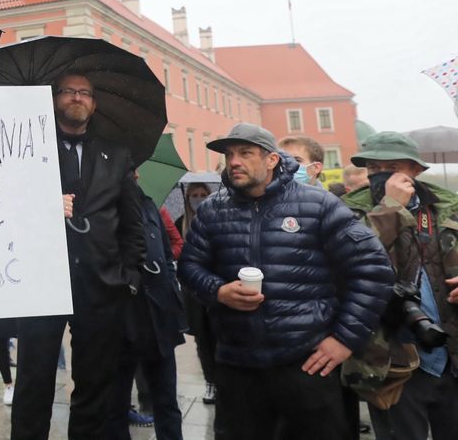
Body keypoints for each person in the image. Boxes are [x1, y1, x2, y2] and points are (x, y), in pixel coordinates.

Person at [178, 123, 393, 440]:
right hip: (238, 366)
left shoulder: (318, 205)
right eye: (229, 154)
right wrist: (218, 290)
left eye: (246, 153)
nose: (234, 161)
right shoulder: (213, 210)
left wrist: (345, 339)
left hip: (306, 364)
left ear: (272, 160)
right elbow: (189, 267)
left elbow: (374, 269)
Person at [11, 71, 146, 440]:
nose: (77, 97)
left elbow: (133, 223)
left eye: (84, 92)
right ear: (55, 99)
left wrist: (130, 277)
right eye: (68, 91)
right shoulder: (26, 149)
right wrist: (42, 204)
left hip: (102, 286)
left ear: (94, 103)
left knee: (94, 385)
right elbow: (2, 206)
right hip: (42, 283)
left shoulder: (116, 156)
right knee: (33, 381)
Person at [341, 132, 458, 440]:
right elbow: (354, 262)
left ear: (415, 170)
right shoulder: (348, 212)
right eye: (374, 169)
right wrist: (391, 206)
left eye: (392, 167)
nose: (383, 175)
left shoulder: (448, 206)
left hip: (451, 352)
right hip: (392, 359)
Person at [106, 171, 185, 440]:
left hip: (158, 319)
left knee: (167, 403)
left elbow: (165, 254)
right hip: (120, 321)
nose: (134, 174)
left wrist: (170, 289)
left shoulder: (150, 204)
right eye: (126, 170)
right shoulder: (100, 208)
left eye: (135, 169)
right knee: (115, 406)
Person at [176, 182, 221, 408]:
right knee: (203, 340)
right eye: (194, 195)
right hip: (192, 292)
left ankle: (223, 380)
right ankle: (210, 382)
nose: (199, 198)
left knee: (220, 336)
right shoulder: (180, 222)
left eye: (203, 194)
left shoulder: (218, 219)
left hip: (217, 287)